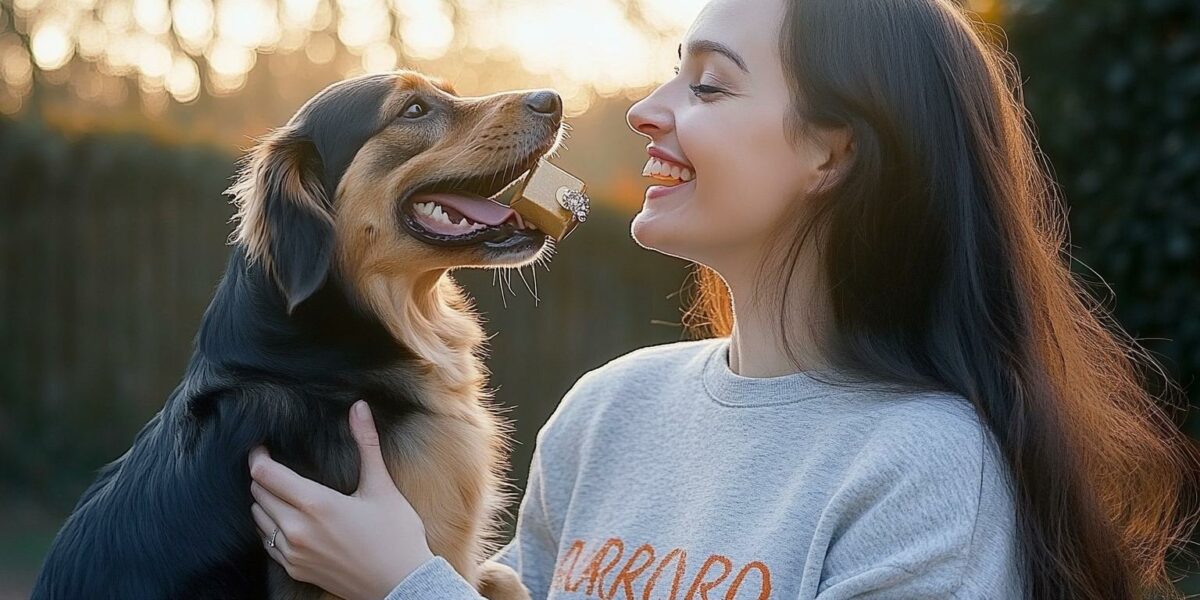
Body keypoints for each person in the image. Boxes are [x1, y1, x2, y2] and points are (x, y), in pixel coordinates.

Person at [246, 0, 1200, 597]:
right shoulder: (610, 411)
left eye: (708, 86)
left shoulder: (925, 470)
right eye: (671, 75)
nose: (646, 110)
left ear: (834, 151)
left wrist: (403, 586)